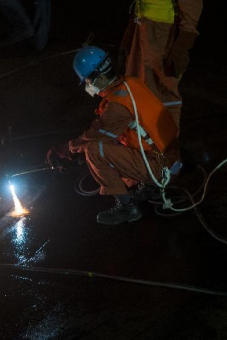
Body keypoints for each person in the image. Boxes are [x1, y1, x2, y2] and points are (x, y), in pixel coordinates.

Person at [47, 46, 181, 225]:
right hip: (172, 157)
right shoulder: (131, 83)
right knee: (114, 142)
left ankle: (128, 208)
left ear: (99, 77)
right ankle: (149, 187)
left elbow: (93, 137)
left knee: (95, 151)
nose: (88, 85)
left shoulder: (116, 106)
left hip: (160, 168)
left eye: (87, 80)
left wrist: (68, 149)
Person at [118, 0, 203, 130]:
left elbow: (192, 4)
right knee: (136, 81)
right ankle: (141, 140)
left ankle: (166, 144)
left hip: (161, 31)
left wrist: (183, 43)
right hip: (143, 24)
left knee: (162, 89)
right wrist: (130, 32)